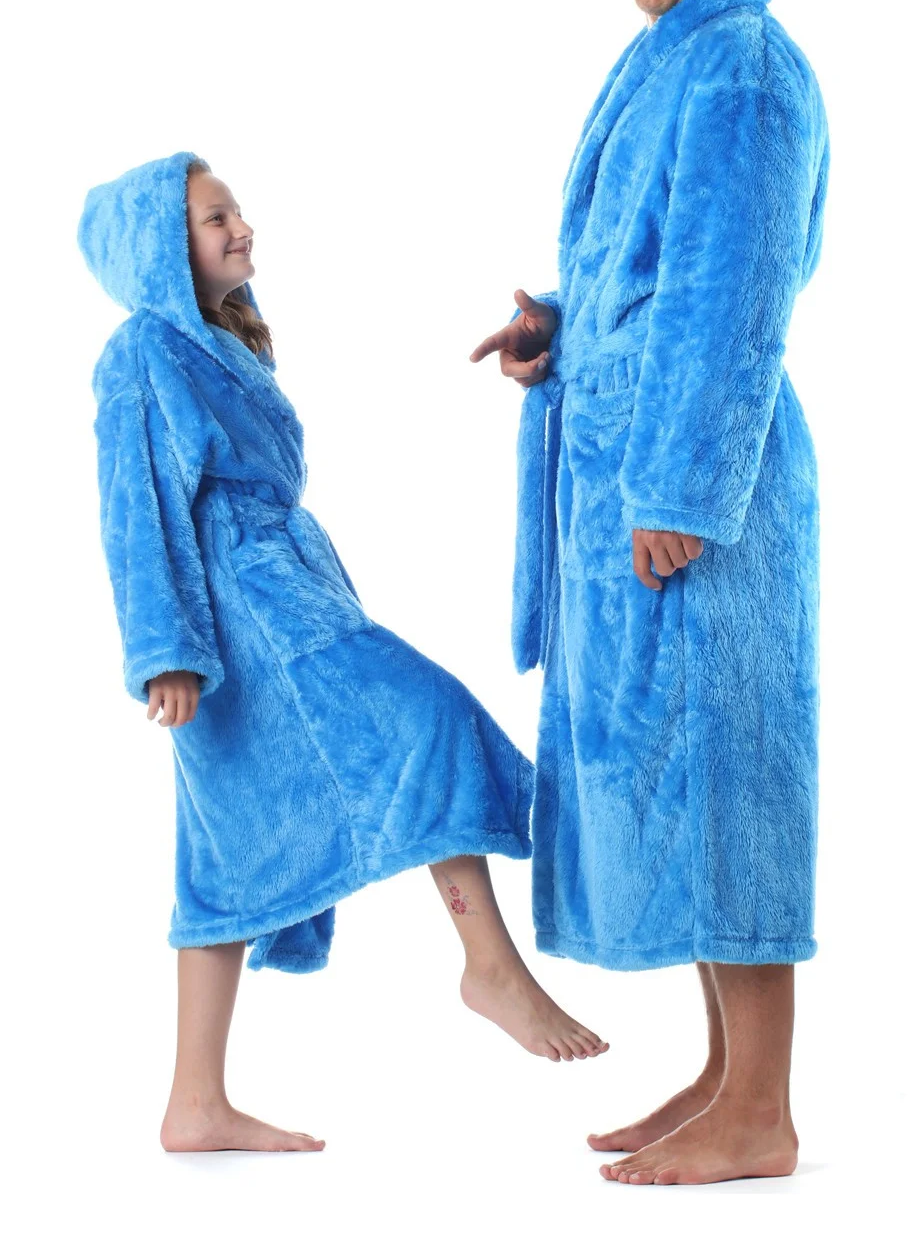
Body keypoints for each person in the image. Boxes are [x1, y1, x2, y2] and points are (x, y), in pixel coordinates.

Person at [78, 151, 608, 1154]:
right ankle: (489, 965)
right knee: (428, 720)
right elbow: (133, 507)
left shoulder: (220, 341)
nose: (239, 226)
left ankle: (195, 1103)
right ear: (158, 246)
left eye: (235, 209)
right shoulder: (144, 349)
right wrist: (165, 650)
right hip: (243, 608)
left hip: (285, 583)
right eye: (212, 218)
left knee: (229, 840)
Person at [470, 0, 830, 1186]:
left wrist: (679, 486)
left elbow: (733, 295)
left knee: (729, 777)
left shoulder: (740, 69)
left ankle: (763, 1110)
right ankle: (727, 1078)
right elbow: (648, 275)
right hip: (641, 467)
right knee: (680, 781)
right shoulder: (669, 57)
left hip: (699, 485)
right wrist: (558, 333)